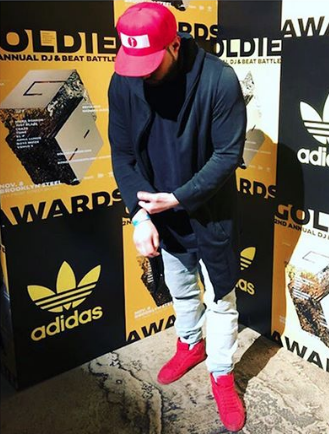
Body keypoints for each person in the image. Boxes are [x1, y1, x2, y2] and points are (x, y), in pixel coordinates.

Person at [108, 3, 247, 431]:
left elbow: (228, 155)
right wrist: (139, 215)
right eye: (134, 63)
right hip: (158, 212)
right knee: (180, 287)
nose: (142, 74)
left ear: (174, 45)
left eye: (150, 63)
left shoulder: (219, 79)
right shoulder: (124, 80)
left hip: (209, 210)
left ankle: (221, 373)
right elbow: (123, 154)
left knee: (220, 299)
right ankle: (189, 345)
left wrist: (178, 197)